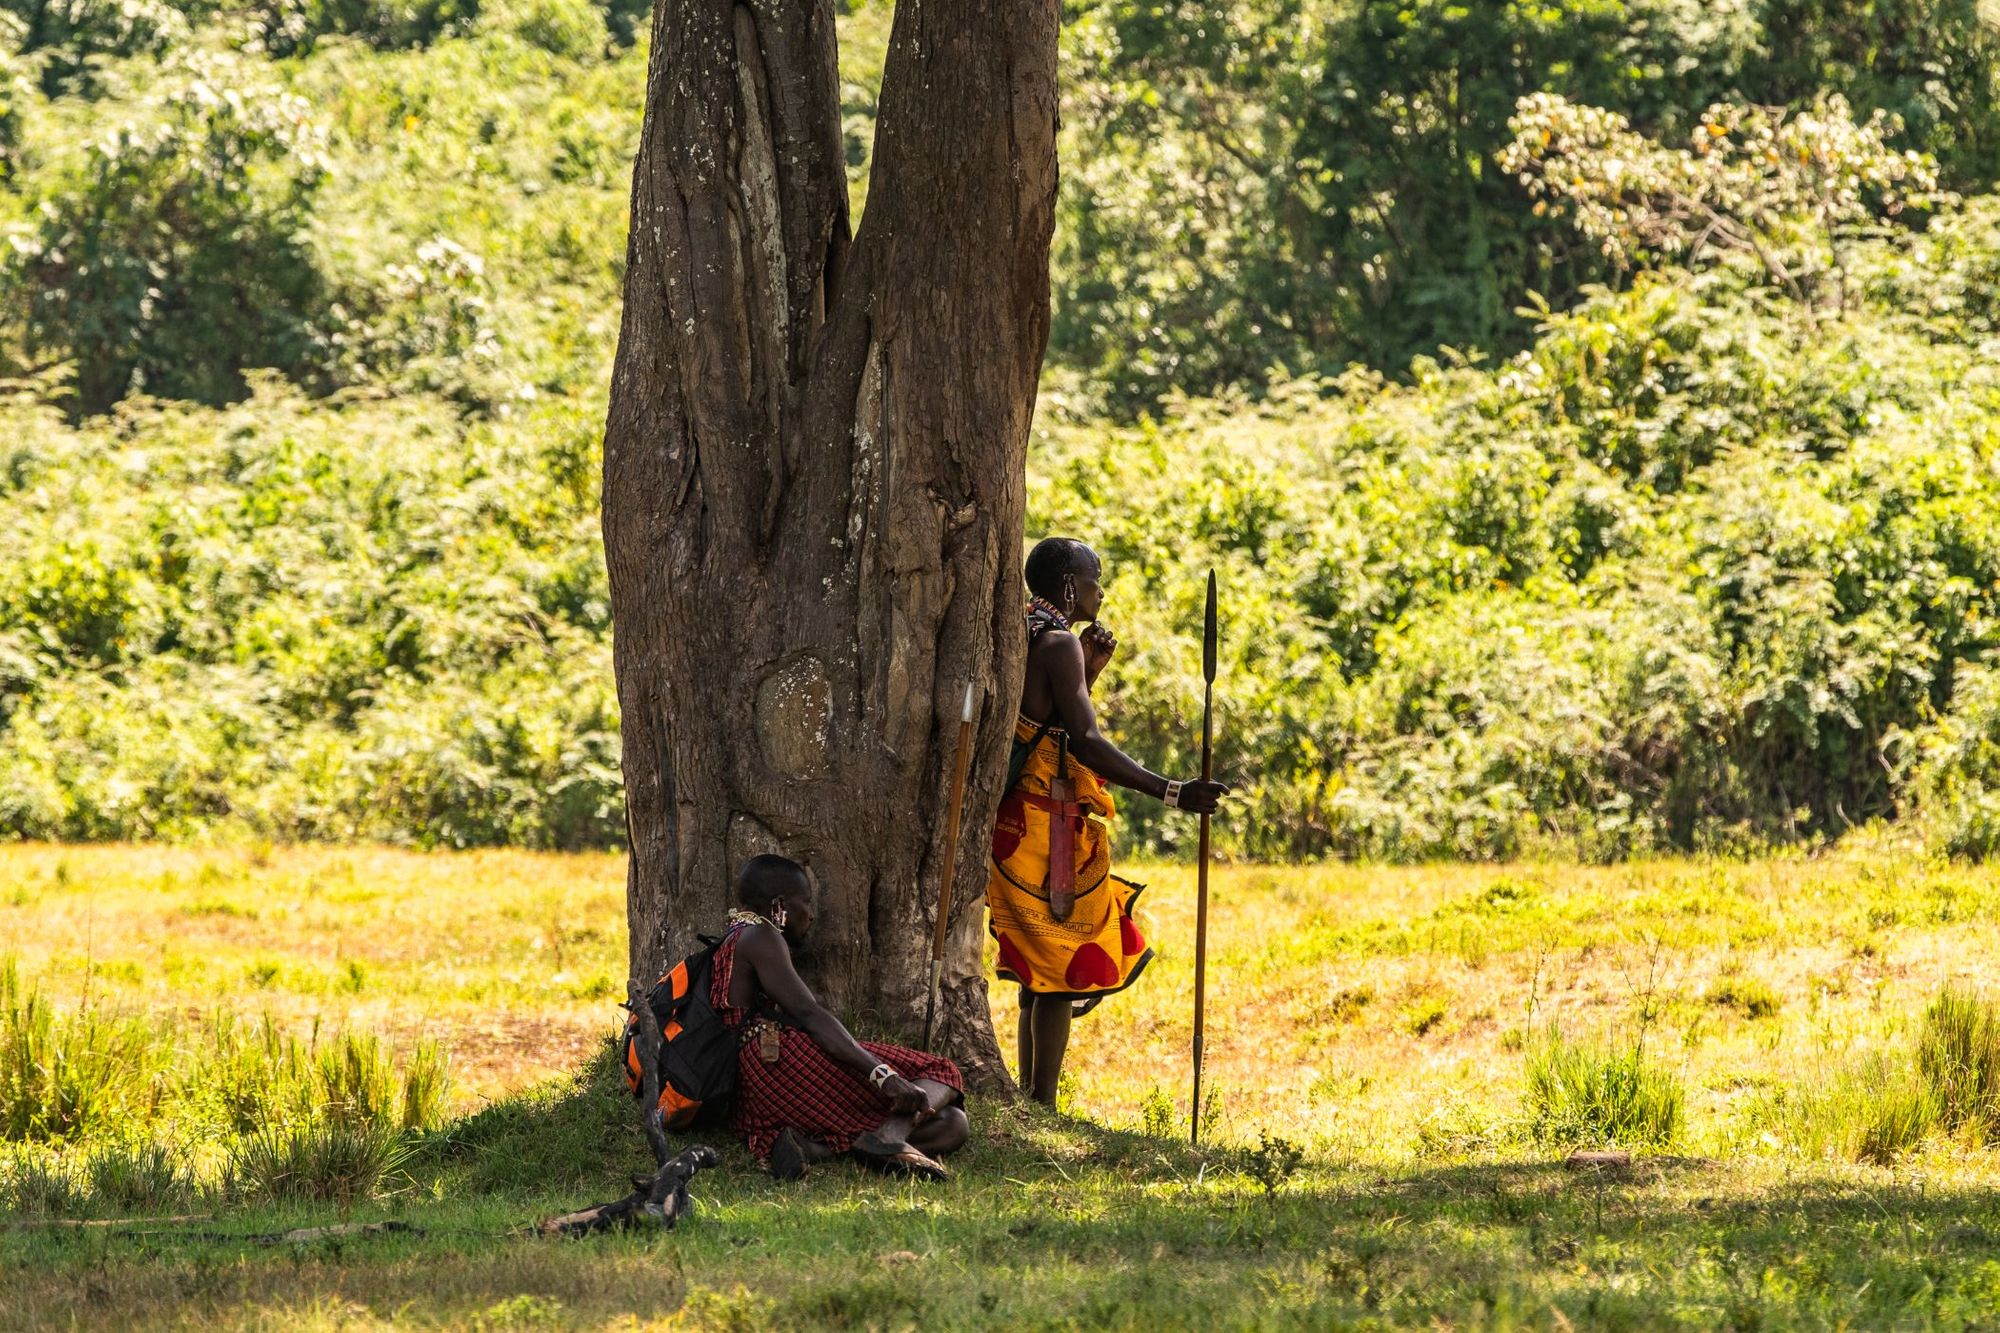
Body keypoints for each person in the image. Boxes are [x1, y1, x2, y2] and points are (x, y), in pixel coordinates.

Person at [987, 537, 1229, 1105]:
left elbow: (1046, 726)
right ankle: (1042, 1104)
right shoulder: (1057, 642)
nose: (1102, 589)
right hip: (1046, 828)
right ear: (1069, 585)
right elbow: (1087, 744)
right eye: (1095, 578)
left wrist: (1088, 676)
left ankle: (1030, 1099)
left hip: (1012, 823)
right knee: (1059, 965)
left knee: (1036, 970)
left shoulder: (1020, 630)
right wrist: (1171, 792)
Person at [713, 854, 968, 1179]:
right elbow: (811, 1016)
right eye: (806, 902)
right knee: (939, 1070)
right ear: (779, 905)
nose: (812, 914)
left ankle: (818, 1147)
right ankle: (887, 1137)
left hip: (754, 1088)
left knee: (953, 1124)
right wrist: (882, 1075)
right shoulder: (762, 936)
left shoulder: (735, 935)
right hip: (776, 1065)